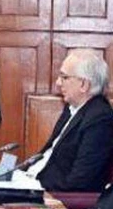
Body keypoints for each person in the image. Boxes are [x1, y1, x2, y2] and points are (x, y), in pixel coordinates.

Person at [26, 49, 113, 193]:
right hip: (33, 182)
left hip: (56, 196)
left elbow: (80, 181)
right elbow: (48, 154)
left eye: (64, 77)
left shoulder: (100, 119)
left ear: (84, 84)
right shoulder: (72, 108)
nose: (58, 82)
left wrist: (36, 189)